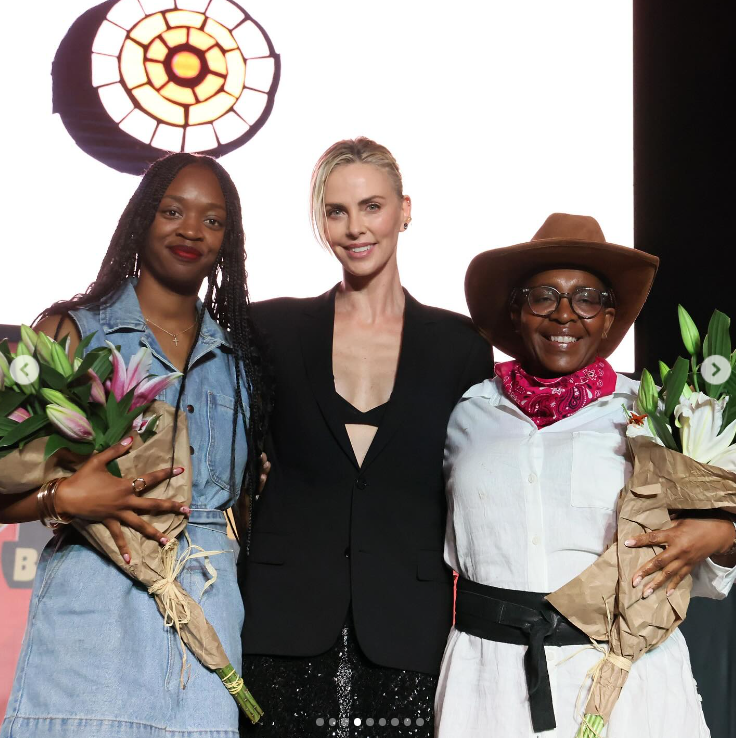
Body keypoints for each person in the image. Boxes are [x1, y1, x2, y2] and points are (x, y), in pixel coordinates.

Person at [435, 213, 736, 737]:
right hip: (488, 685)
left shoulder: (656, 413)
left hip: (628, 680)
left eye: (588, 298)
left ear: (609, 316)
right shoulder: (467, 414)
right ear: (516, 309)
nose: (565, 314)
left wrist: (725, 533)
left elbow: (712, 545)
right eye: (543, 296)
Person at [0, 153, 267, 738]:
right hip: (92, 619)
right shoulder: (72, 330)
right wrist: (63, 500)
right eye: (172, 210)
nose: (191, 230)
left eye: (213, 220)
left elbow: (241, 505)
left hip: (206, 614)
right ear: (141, 218)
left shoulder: (240, 360)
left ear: (229, 241)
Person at [239, 137, 493, 736]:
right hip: (283, 624)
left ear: (405, 210)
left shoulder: (460, 345)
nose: (355, 228)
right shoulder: (270, 329)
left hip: (409, 629)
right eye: (336, 211)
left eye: (372, 207)